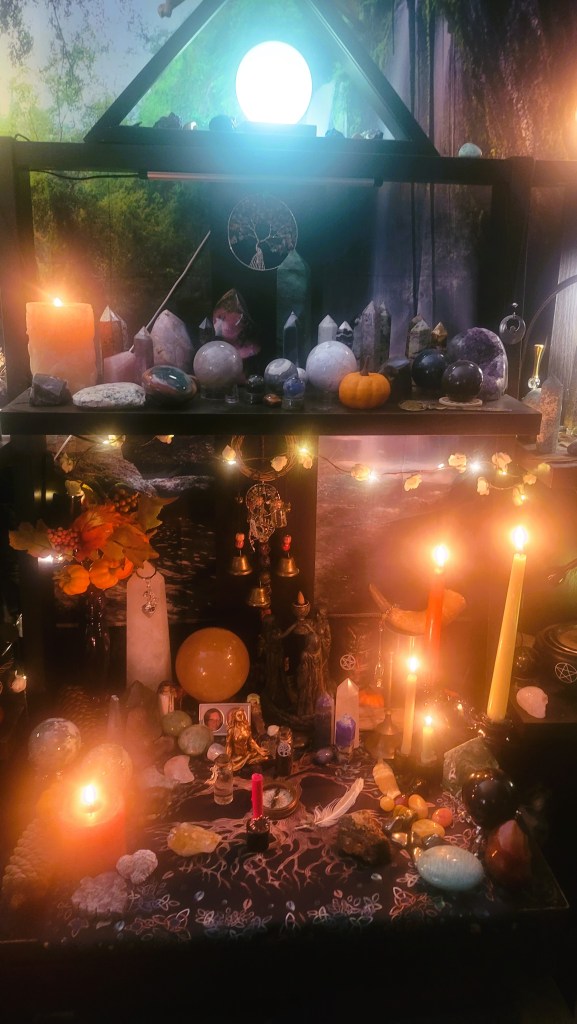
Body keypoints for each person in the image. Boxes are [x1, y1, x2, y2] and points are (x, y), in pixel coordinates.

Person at [225, 706, 267, 771]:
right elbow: (229, 746)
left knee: (265, 757)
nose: (241, 717)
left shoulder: (246, 727)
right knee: (231, 767)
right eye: (239, 715)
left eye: (242, 715)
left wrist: (259, 750)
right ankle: (243, 763)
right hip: (237, 756)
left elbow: (250, 741)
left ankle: (248, 761)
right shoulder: (232, 730)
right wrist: (227, 759)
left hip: (247, 753)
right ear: (234, 717)